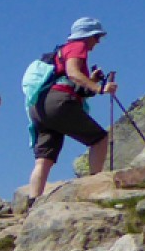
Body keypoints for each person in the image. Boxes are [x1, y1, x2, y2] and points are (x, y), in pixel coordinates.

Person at [26, 17, 117, 202]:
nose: (97, 42)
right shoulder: (78, 46)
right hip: (58, 103)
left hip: (39, 106)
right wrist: (99, 88)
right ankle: (94, 185)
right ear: (87, 35)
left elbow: (71, 82)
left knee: (44, 158)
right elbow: (73, 74)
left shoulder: (62, 51)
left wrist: (91, 80)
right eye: (96, 36)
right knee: (99, 138)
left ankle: (32, 202)